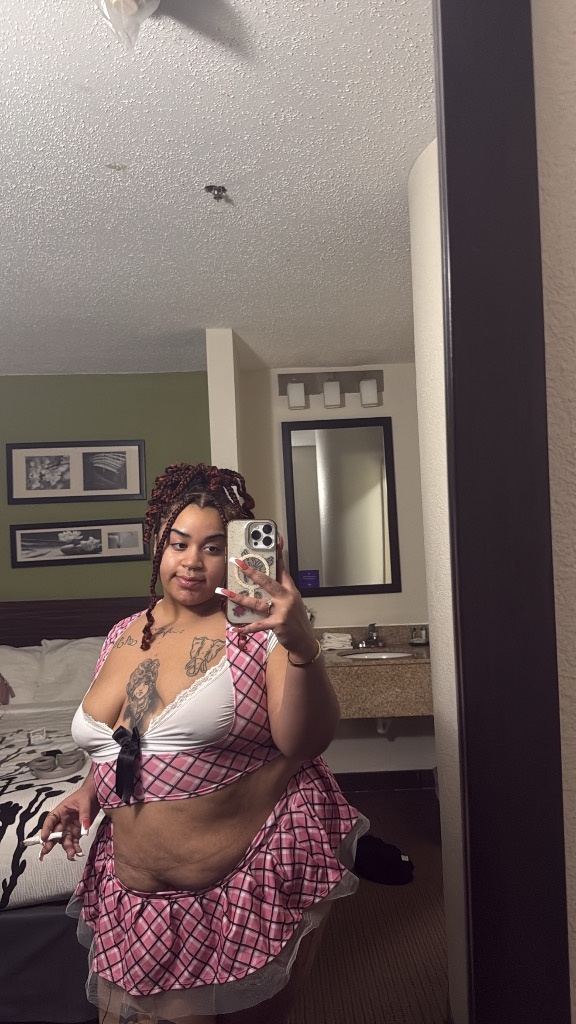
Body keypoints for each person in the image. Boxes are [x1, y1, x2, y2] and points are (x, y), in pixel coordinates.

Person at [40, 462, 369, 1024]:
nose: (192, 561)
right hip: (129, 897)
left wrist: (300, 642)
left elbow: (305, 741)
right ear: (158, 546)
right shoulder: (123, 633)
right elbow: (127, 738)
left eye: (213, 547)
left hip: (234, 886)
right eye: (179, 543)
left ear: (237, 556)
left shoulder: (259, 632)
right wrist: (88, 790)